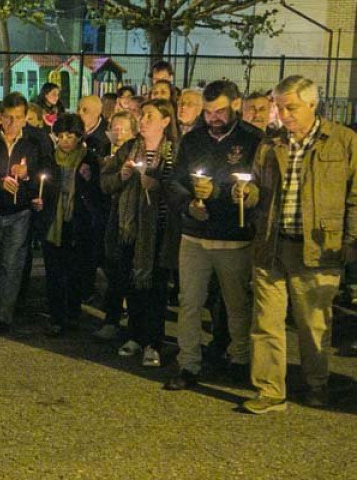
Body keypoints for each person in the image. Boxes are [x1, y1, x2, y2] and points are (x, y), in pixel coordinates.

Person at [235, 75, 357, 413]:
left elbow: (355, 196)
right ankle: (270, 391)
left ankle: (316, 384)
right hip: (272, 243)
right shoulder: (270, 143)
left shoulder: (343, 142)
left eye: (291, 107)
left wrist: (350, 241)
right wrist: (246, 193)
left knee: (313, 322)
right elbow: (259, 187)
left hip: (318, 247)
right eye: (279, 106)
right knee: (266, 322)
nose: (283, 114)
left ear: (312, 104)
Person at [164, 80, 263, 391]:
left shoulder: (251, 140)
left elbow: (258, 184)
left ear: (235, 105)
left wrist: (228, 192)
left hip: (232, 236)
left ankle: (239, 359)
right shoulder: (192, 140)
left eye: (220, 111)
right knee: (189, 302)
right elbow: (176, 181)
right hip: (194, 235)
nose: (214, 118)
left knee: (236, 304)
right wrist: (189, 204)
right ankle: (188, 363)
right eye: (208, 112)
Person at [100, 98, 178, 367]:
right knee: (131, 283)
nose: (142, 121)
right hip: (129, 230)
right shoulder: (129, 150)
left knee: (155, 287)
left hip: (159, 231)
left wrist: (158, 186)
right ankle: (134, 335)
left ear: (166, 121)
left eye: (149, 117)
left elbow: (181, 189)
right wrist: (121, 177)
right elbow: (106, 183)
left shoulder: (174, 152)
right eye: (142, 116)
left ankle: (153, 342)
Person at [0, 92, 50, 334]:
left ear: (25, 118)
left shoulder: (32, 144)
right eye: (8, 117)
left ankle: (2, 315)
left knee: (12, 264)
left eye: (18, 118)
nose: (12, 123)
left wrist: (26, 175)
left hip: (19, 213)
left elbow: (40, 178)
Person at [33, 114, 102, 335]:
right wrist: (38, 200)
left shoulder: (88, 159)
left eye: (70, 136)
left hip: (77, 223)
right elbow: (40, 188)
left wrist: (89, 179)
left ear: (79, 136)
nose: (65, 141)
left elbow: (96, 193)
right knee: (54, 272)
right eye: (61, 136)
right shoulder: (49, 160)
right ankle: (56, 317)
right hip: (53, 222)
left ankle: (72, 313)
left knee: (75, 272)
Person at [93, 110, 139, 341]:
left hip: (131, 219)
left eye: (123, 128)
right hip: (110, 217)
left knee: (129, 272)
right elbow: (105, 183)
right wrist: (119, 176)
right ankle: (112, 317)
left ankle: (131, 322)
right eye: (115, 127)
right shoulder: (105, 149)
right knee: (114, 269)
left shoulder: (134, 149)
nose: (117, 133)